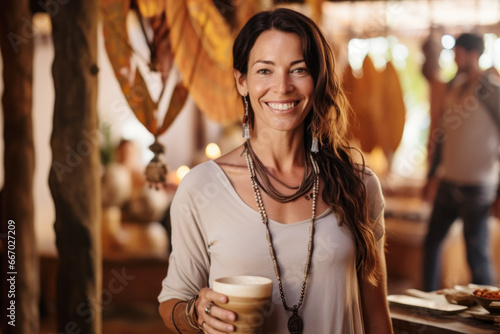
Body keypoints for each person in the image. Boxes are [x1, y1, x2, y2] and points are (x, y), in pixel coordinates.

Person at [158, 8, 393, 333]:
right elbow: (172, 304)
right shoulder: (201, 188)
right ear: (242, 81)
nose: (282, 87)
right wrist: (196, 314)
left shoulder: (359, 184)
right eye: (265, 71)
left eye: (298, 70)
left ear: (318, 79)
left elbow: (377, 317)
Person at [422, 32, 500, 292]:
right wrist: (431, 175)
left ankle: (491, 318)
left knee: (476, 256)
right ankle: (427, 304)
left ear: (472, 54)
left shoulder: (492, 92)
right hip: (448, 182)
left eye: (458, 52)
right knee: (431, 245)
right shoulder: (455, 88)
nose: (454, 57)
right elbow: (443, 138)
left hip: (478, 188)